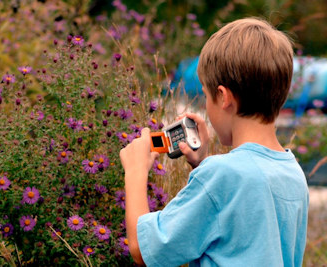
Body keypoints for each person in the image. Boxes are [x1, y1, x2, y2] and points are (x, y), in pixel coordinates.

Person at [119, 17, 309, 267]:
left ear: (223, 97)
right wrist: (201, 166)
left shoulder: (221, 175)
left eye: (206, 96)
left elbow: (145, 251)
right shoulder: (292, 172)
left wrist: (135, 172)